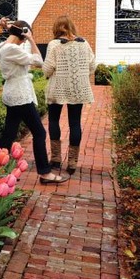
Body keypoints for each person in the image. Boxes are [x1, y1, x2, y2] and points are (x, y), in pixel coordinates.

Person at [0, 17, 68, 184]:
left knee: (9, 133)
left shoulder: (5, 47)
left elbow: (12, 41)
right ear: (22, 36)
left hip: (13, 93)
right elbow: (38, 61)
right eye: (24, 38)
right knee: (39, 133)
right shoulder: (12, 49)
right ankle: (45, 173)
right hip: (20, 95)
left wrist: (9, 29)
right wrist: (31, 39)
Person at [42, 15, 95, 175]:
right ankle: (72, 163)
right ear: (72, 27)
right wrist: (81, 75)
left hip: (58, 88)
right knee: (75, 123)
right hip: (78, 89)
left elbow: (47, 69)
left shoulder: (54, 44)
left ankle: (56, 160)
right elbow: (92, 65)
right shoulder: (84, 43)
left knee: (53, 120)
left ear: (57, 28)